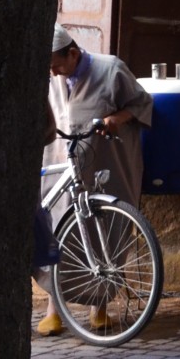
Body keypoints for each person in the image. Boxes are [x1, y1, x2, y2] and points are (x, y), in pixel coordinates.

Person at [36, 23, 153, 336]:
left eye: (58, 65)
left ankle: (98, 309)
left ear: (73, 54)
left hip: (106, 165)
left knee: (105, 233)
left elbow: (142, 103)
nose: (56, 73)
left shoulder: (111, 69)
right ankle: (54, 309)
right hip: (64, 161)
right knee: (59, 232)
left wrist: (116, 119)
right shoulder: (51, 76)